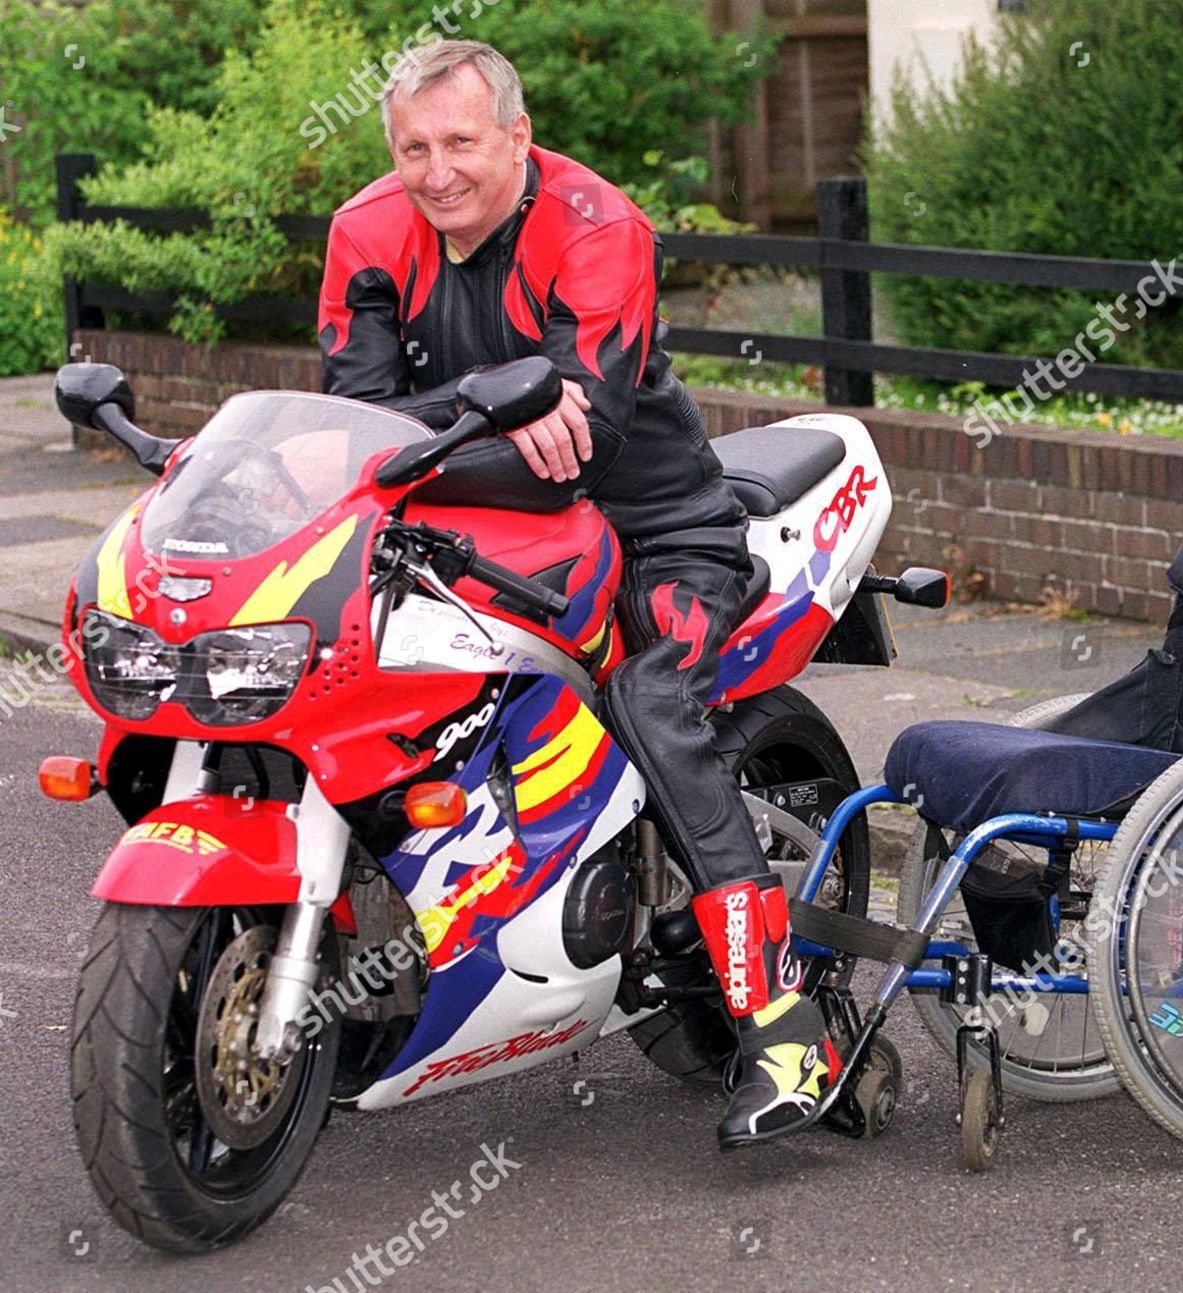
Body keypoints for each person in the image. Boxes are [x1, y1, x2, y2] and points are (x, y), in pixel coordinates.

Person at [317, 40, 837, 1147]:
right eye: (413, 147)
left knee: (654, 706)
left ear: (516, 132)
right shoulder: (367, 231)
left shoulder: (599, 226)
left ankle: (786, 1023)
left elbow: (585, 445)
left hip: (655, 532)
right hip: (463, 535)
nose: (437, 170)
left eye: (461, 142)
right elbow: (350, 423)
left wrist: (459, 418)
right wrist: (508, 403)